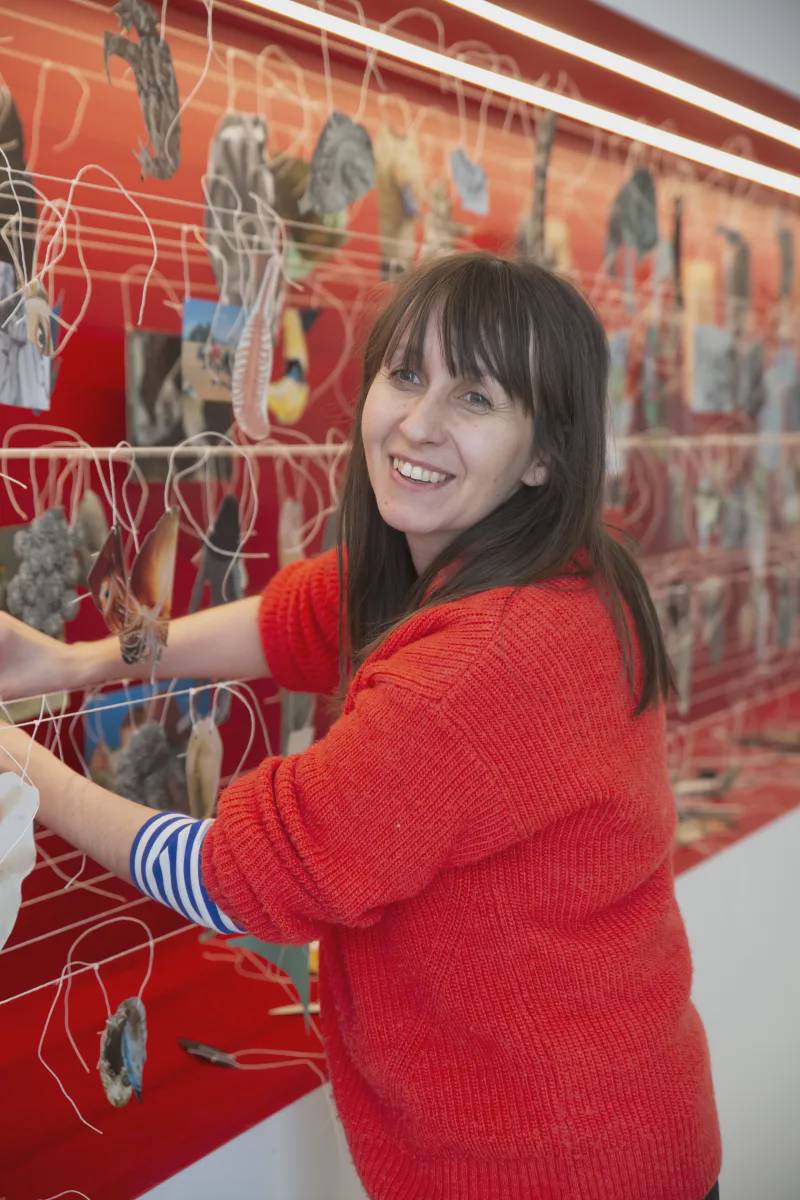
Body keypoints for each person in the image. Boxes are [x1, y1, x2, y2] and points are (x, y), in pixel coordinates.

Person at [0, 252, 721, 1199]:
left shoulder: (482, 666)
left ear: (547, 452)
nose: (417, 423)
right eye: (407, 374)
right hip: (617, 1119)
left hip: (554, 1168)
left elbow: (235, 881)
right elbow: (293, 621)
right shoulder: (533, 563)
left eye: (475, 397)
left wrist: (17, 763)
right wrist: (74, 664)